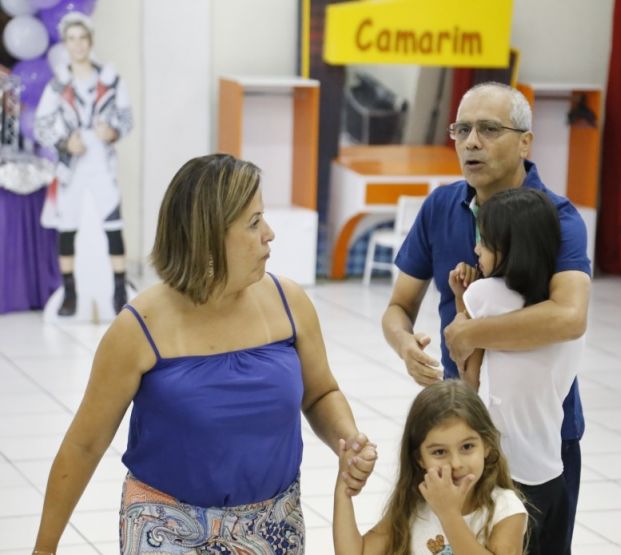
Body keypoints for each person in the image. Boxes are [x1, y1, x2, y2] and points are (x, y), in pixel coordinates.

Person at [31, 154, 377, 555]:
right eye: (253, 223)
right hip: (166, 529)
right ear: (208, 237)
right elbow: (84, 445)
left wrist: (348, 440)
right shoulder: (139, 328)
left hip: (275, 527)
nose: (269, 233)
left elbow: (320, 394)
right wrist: (45, 548)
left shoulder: (289, 304)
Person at [381, 81, 591, 551]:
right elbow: (398, 307)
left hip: (540, 434)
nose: (471, 142)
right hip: (460, 434)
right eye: (462, 129)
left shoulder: (556, 218)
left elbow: (569, 316)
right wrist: (404, 345)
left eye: (489, 129)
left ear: (525, 141)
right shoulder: (441, 205)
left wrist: (469, 331)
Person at [449, 188, 584, 555]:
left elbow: (470, 375)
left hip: (504, 473)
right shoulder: (562, 311)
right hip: (551, 468)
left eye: (484, 240)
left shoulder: (485, 296)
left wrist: (463, 300)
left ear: (507, 248)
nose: (476, 249)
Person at [333, 379, 527, 554]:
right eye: (439, 452)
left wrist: (449, 514)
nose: (456, 464)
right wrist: (344, 483)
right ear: (420, 459)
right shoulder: (414, 505)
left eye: (467, 447)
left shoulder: (506, 509)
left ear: (487, 446)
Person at [34, 13, 133, 316]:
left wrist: (112, 131)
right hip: (71, 165)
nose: (77, 45)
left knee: (112, 222)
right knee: (68, 226)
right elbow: (42, 125)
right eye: (71, 39)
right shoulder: (57, 85)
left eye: (82, 38)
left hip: (102, 161)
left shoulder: (111, 80)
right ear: (66, 44)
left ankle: (119, 289)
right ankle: (69, 292)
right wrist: (65, 142)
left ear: (90, 41)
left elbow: (127, 119)